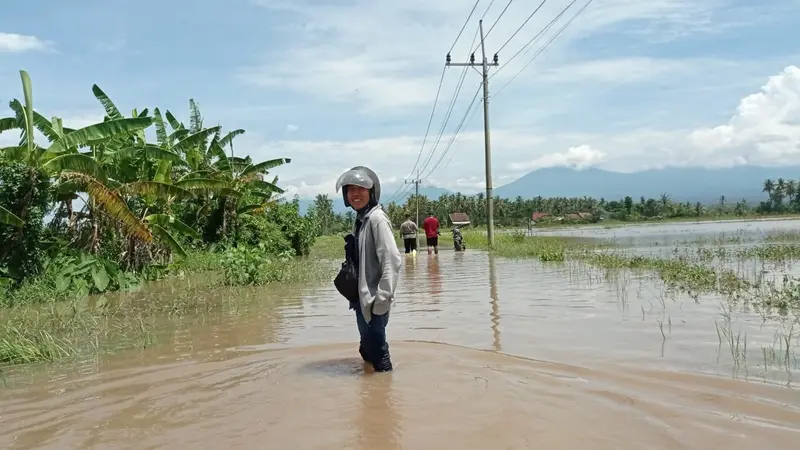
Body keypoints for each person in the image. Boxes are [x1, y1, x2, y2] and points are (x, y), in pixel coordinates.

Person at [335, 166, 402, 372]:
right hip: (362, 300)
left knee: (379, 357)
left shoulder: (376, 219)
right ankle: (372, 393)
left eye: (361, 189)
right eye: (351, 189)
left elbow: (392, 260)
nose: (355, 194)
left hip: (373, 303)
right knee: (367, 351)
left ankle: (383, 396)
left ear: (371, 192)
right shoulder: (362, 219)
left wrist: (381, 301)